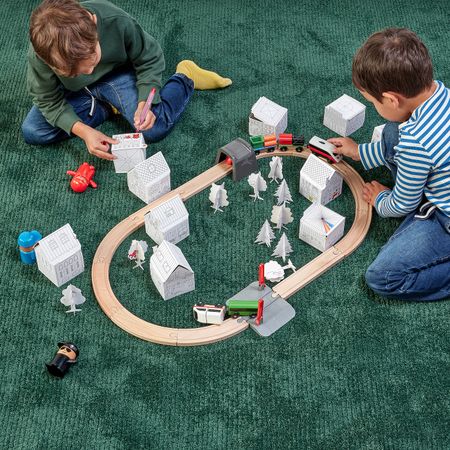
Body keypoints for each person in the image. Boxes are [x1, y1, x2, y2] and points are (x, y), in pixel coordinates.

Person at [23, 0, 232, 160]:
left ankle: (185, 76)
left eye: (93, 58)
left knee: (154, 128)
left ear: (94, 24)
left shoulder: (115, 20)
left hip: (118, 75)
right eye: (74, 72)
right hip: (77, 92)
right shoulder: (42, 54)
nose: (88, 71)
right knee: (33, 131)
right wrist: (84, 132)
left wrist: (144, 101)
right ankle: (108, 107)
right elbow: (47, 100)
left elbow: (149, 58)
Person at [328, 28, 450, 301]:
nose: (374, 107)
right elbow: (398, 140)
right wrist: (360, 152)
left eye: (373, 102)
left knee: (383, 277)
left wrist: (381, 199)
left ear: (392, 99)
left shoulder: (416, 143)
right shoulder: (440, 92)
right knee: (393, 129)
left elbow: (402, 206)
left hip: (445, 217)